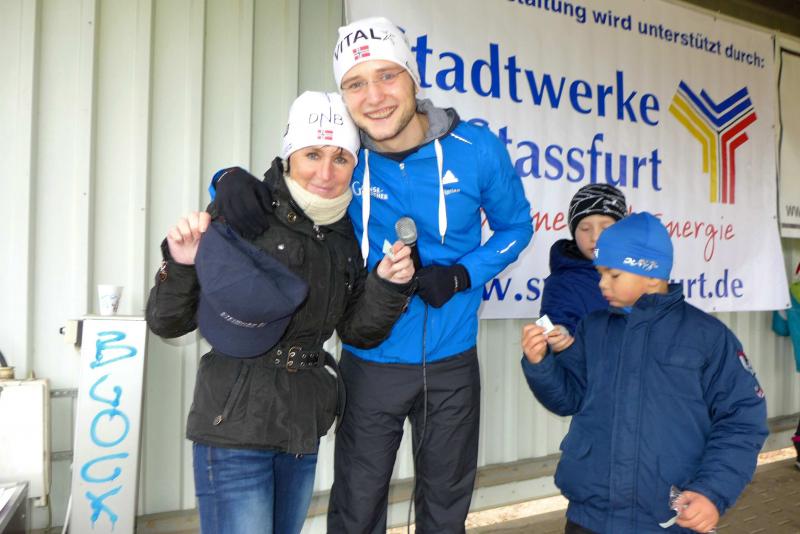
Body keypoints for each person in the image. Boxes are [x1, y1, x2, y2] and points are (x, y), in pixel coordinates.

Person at [146, 91, 416, 534]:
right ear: (290, 154)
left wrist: (387, 286)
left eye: (340, 158)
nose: (326, 173)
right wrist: (181, 262)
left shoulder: (347, 233)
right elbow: (168, 321)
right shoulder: (245, 209)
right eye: (312, 154)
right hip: (236, 424)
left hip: (301, 429)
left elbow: (356, 331)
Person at [521, 212, 768, 534]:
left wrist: (712, 492)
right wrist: (540, 363)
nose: (602, 284)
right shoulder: (593, 328)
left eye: (613, 274)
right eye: (600, 273)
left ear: (651, 274)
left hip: (669, 519)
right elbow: (567, 399)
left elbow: (742, 420)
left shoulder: (707, 337)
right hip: (589, 517)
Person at [539, 184, 626, 352]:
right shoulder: (561, 282)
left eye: (606, 228)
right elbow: (550, 324)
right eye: (585, 228)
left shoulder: (639, 273)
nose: (595, 237)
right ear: (573, 232)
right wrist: (557, 337)